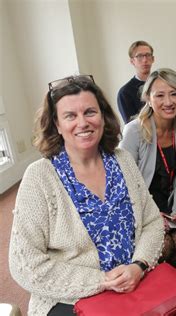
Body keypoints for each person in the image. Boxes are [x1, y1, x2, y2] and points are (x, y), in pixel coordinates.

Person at [9, 75, 165, 316]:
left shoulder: (122, 160)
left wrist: (139, 265)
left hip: (136, 282)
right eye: (70, 116)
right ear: (57, 125)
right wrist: (101, 280)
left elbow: (152, 222)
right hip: (72, 298)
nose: (82, 123)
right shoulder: (39, 177)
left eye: (90, 112)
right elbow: (24, 264)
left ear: (103, 117)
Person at [120, 68, 176, 268]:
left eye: (174, 94)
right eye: (159, 95)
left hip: (168, 206)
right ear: (148, 99)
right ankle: (155, 289)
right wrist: (151, 213)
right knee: (165, 246)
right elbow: (123, 181)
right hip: (138, 207)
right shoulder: (134, 131)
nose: (168, 102)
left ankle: (166, 283)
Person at [117, 40, 155, 123]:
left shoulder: (161, 85)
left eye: (148, 55)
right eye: (139, 56)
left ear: (153, 59)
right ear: (132, 61)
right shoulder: (125, 92)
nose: (145, 60)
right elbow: (131, 125)